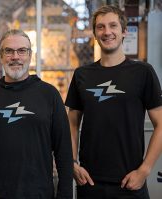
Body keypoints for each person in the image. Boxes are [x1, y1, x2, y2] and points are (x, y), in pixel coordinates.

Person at [65, 5, 162, 199]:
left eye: (113, 26)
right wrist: (72, 163)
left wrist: (144, 170)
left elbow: (161, 123)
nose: (107, 32)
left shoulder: (143, 73)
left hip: (130, 183)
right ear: (94, 33)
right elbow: (72, 122)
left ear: (124, 31)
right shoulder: (82, 75)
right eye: (100, 27)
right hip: (90, 182)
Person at [0, 29, 73, 199]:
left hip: (40, 194)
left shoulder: (49, 95)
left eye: (22, 51)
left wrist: (65, 195)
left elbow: (63, 150)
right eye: (9, 51)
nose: (15, 57)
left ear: (30, 55)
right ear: (1, 56)